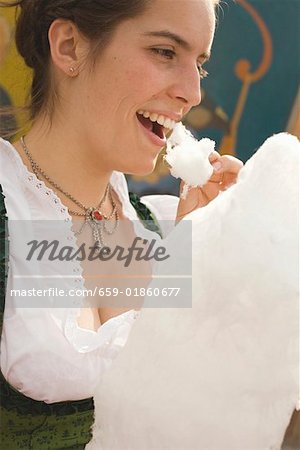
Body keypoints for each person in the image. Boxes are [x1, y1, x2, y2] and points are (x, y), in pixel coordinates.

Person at [0, 0, 243, 448]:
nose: (193, 93)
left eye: (200, 65)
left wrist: (204, 251)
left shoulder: (160, 228)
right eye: (165, 52)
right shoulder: (10, 215)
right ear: (70, 47)